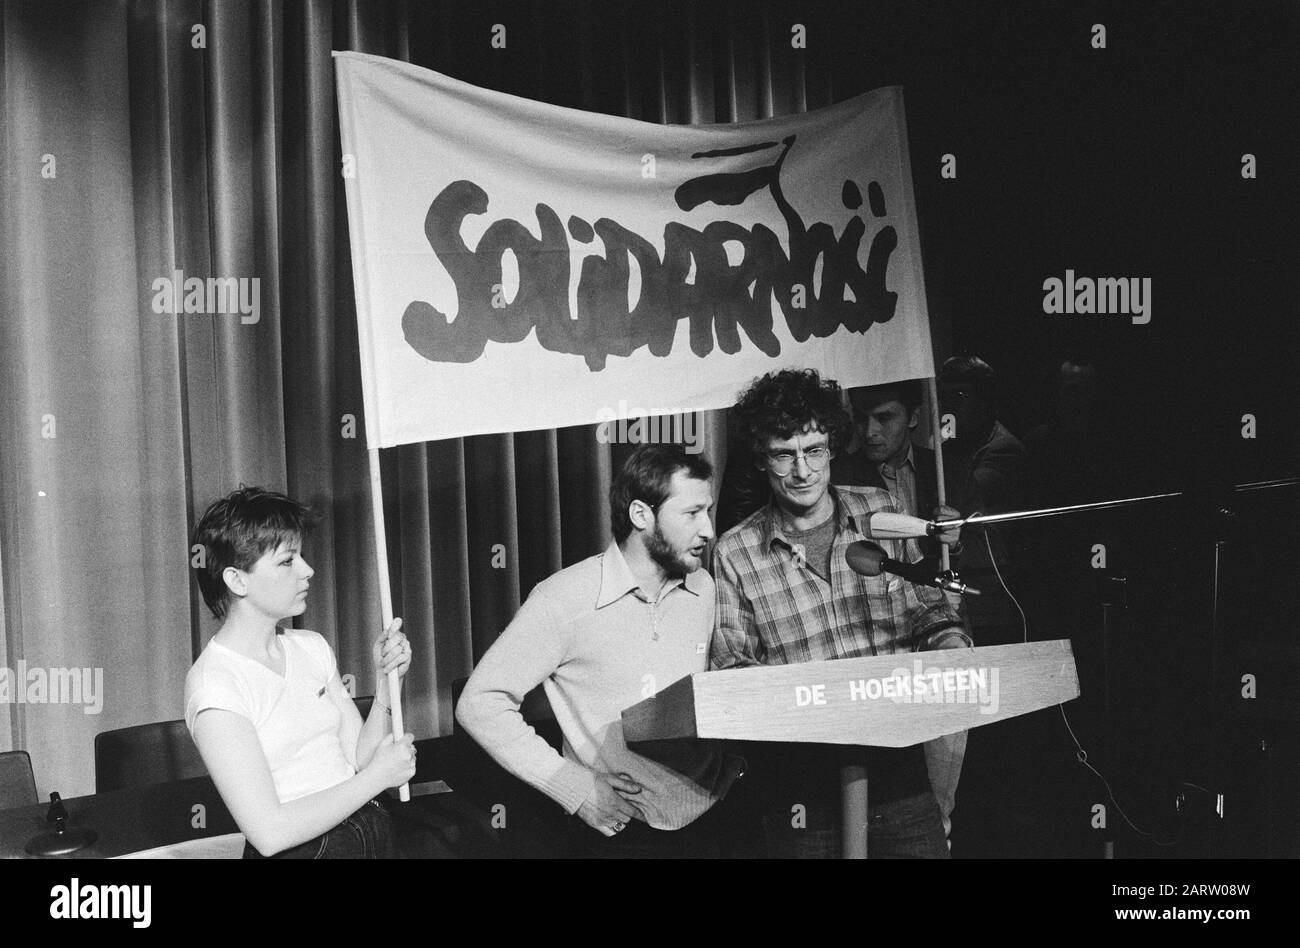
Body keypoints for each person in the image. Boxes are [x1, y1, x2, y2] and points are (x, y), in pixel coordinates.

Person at [711, 368, 968, 858]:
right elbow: (732, 670)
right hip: (802, 788)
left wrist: (949, 644)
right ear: (762, 459)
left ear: (832, 447)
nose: (802, 471)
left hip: (900, 770)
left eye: (814, 450)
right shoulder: (735, 551)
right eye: (784, 454)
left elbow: (929, 609)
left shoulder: (883, 512)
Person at [456, 443, 742, 858]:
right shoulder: (563, 599)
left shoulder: (703, 587)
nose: (709, 530)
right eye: (692, 513)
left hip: (716, 819)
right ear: (642, 515)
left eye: (709, 511)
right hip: (625, 832)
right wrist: (573, 787)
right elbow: (479, 702)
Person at [185, 487, 416, 859]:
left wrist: (388, 684)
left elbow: (359, 758)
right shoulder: (215, 686)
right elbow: (269, 832)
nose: (307, 570)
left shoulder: (311, 646)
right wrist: (376, 779)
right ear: (237, 580)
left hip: (369, 832)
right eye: (287, 561)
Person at [832, 378, 971, 843]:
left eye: (884, 418)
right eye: (861, 418)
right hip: (871, 612)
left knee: (954, 682)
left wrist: (960, 536)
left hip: (936, 608)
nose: (869, 431)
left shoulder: (943, 469)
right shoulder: (839, 474)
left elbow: (987, 551)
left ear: (913, 417)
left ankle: (940, 824)